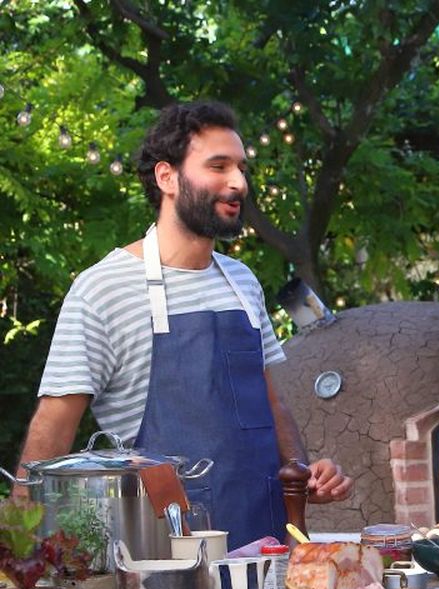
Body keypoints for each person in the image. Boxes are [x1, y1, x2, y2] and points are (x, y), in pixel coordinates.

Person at [16, 101, 352, 549]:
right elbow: (54, 426)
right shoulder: (103, 289)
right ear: (166, 177)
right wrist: (17, 542)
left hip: (269, 551)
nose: (239, 183)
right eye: (219, 166)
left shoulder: (242, 283)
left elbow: (273, 404)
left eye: (241, 168)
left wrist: (301, 473)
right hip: (165, 561)